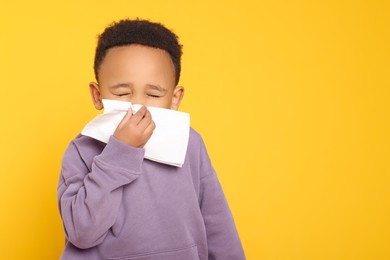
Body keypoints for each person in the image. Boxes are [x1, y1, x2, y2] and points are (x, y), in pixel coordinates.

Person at [57, 19, 245, 260]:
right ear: (98, 95)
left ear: (175, 99)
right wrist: (120, 153)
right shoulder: (82, 150)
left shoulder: (189, 143)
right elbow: (82, 233)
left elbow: (218, 223)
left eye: (154, 94)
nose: (138, 106)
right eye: (122, 93)